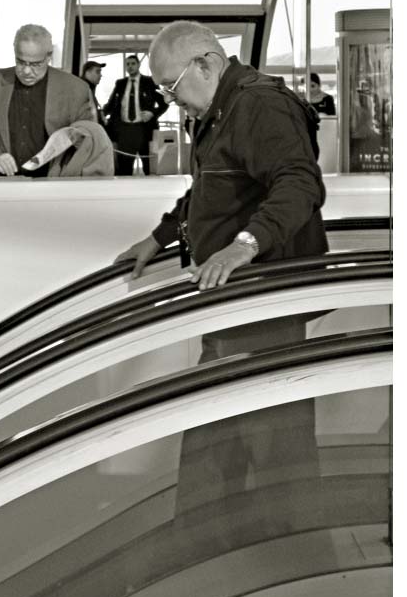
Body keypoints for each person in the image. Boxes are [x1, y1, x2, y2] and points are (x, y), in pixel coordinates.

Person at [115, 20, 328, 350]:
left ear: (204, 65)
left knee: (263, 400)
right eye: (162, 91)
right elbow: (213, 188)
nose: (170, 100)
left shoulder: (259, 105)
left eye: (172, 86)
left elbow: (300, 184)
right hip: (228, 296)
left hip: (263, 301)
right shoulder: (220, 110)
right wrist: (159, 238)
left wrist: (244, 245)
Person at [0, 24, 95, 177]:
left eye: (35, 64)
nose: (26, 71)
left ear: (49, 56)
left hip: (54, 184)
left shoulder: (75, 88)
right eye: (21, 62)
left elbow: (88, 138)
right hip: (3, 183)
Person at [103, 54, 168, 175]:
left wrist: (152, 113)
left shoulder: (150, 82)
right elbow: (111, 104)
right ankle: (125, 193)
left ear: (138, 65)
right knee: (124, 170)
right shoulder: (120, 83)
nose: (130, 66)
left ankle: (150, 193)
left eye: (133, 64)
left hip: (145, 130)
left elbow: (164, 103)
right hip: (125, 132)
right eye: (127, 64)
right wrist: (101, 114)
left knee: (150, 168)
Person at [81, 59, 107, 126]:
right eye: (97, 72)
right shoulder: (83, 89)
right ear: (87, 72)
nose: (100, 75)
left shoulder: (89, 88)